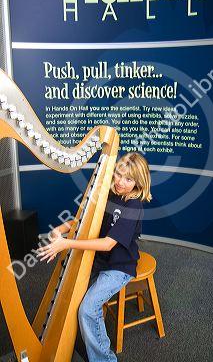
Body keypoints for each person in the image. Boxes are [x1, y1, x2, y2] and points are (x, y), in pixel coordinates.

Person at [37, 152, 152, 361]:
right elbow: (84, 219)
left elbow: (108, 244)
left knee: (87, 310)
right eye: (118, 175)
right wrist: (60, 229)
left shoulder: (133, 207)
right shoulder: (109, 194)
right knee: (67, 293)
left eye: (128, 179)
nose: (120, 182)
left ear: (139, 183)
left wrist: (67, 243)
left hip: (119, 267)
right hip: (99, 261)